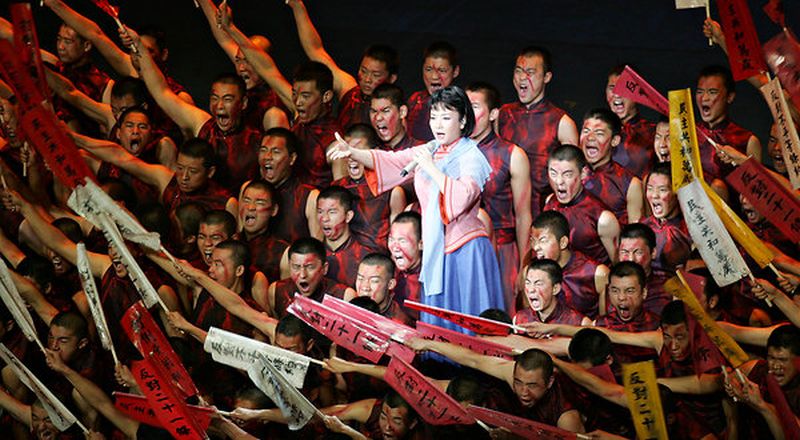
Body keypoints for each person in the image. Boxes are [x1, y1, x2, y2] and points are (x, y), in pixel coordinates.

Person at [329, 86, 505, 334]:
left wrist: (431, 168)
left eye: (446, 117)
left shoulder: (470, 156)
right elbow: (392, 161)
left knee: (467, 324)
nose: (438, 124)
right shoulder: (431, 148)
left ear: (463, 120)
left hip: (464, 250)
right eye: (434, 117)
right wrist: (354, 152)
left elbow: (461, 198)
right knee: (439, 328)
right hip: (436, 249)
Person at [467, 82, 532, 311]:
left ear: (493, 114)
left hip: (502, 251)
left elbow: (523, 215)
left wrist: (524, 265)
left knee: (500, 314)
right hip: (462, 248)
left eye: (475, 107)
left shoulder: (512, 154)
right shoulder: (451, 151)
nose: (467, 113)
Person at [286, 0, 399, 129]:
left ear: (392, 78)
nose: (367, 79)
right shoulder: (350, 91)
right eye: (363, 71)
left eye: (376, 75)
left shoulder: (397, 110)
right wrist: (298, 7)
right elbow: (315, 50)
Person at [497, 46, 578, 218]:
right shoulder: (503, 114)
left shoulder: (562, 122)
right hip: (503, 213)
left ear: (547, 77)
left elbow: (574, 178)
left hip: (541, 214)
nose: (522, 78)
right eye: (518, 71)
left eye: (530, 72)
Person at [543, 144, 620, 264]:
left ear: (583, 173)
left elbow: (618, 265)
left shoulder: (603, 219)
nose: (559, 181)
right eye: (553, 174)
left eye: (567, 175)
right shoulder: (549, 202)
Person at [528, 210, 609, 319]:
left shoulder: (595, 274)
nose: (536, 247)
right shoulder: (531, 273)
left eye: (543, 240)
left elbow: (606, 323)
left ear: (563, 243)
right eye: (533, 241)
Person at [605, 65, 655, 178]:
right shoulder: (596, 130)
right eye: (612, 88)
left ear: (639, 93)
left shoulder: (653, 133)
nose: (617, 94)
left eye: (623, 88)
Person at [640, 163, 692, 271]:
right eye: (650, 189)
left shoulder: (690, 230)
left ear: (677, 192)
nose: (654, 195)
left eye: (662, 190)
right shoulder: (642, 228)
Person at [406, 42, 461, 141]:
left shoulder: (462, 103)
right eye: (428, 69)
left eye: (442, 70)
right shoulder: (416, 100)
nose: (434, 76)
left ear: (455, 71)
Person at [514, 259, 591, 326]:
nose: (531, 290)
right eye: (528, 283)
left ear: (555, 289)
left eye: (538, 284)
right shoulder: (520, 319)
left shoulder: (578, 323)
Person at [370, 83, 420, 151]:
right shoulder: (370, 151)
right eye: (374, 111)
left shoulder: (420, 150)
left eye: (385, 111)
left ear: (402, 112)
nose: (378, 118)